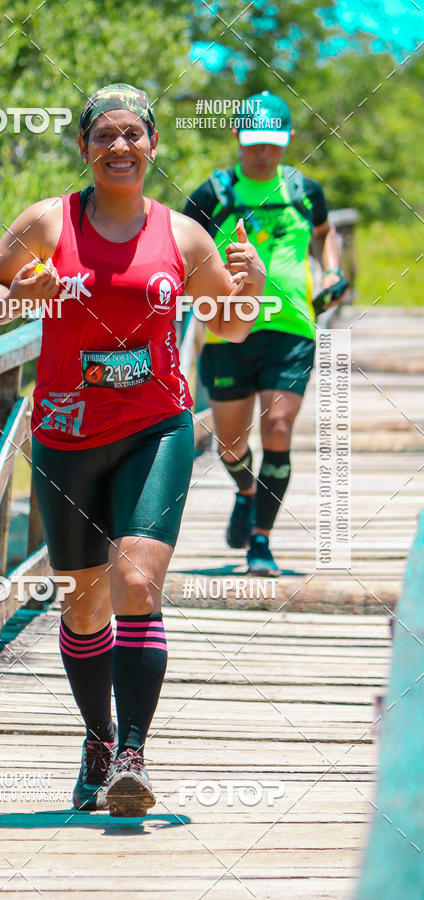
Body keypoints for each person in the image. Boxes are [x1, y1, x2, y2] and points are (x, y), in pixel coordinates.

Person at [0, 83, 266, 816]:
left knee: (136, 579)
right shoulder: (48, 222)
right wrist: (20, 299)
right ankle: (98, 739)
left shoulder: (182, 236)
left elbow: (228, 326)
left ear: (153, 145)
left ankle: (132, 754)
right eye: (104, 136)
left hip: (155, 428)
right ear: (84, 147)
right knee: (81, 603)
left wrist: (248, 292)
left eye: (133, 135)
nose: (119, 147)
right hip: (67, 434)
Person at [183, 91, 347, 576]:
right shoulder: (213, 194)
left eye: (273, 144)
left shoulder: (303, 191)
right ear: (237, 138)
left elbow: (324, 232)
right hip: (228, 332)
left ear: (288, 140)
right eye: (254, 143)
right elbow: (175, 248)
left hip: (291, 328)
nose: (263, 153)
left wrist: (332, 271)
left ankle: (261, 539)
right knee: (231, 444)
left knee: (277, 429)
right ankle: (247, 491)